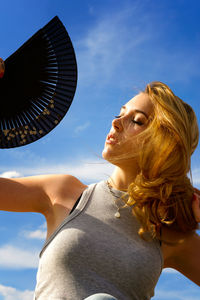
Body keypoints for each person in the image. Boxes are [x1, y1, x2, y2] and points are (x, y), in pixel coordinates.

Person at [0, 81, 199, 299]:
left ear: (165, 145)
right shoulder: (65, 192)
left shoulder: (169, 232)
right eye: (119, 113)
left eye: (136, 120)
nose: (116, 122)